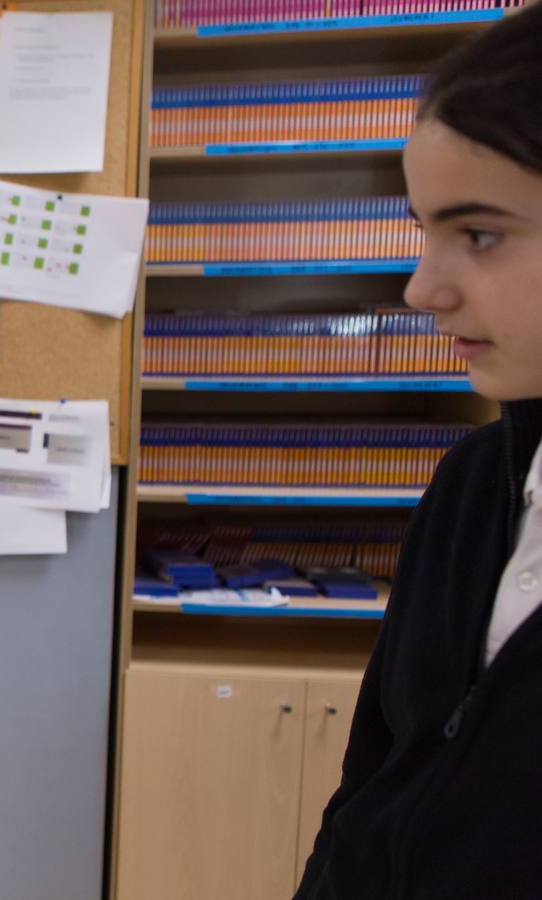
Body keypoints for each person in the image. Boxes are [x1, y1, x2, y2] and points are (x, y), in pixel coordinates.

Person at [296, 6, 542, 896]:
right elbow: (369, 784)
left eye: (478, 235)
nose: (420, 288)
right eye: (424, 230)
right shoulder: (469, 487)